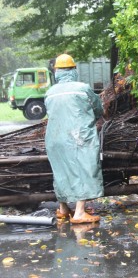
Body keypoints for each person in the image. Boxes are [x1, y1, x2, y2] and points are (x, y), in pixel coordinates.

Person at [44, 53, 104, 223]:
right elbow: (98, 108)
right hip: (79, 137)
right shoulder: (82, 88)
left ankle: (63, 209)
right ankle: (79, 213)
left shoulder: (50, 93)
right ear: (73, 70)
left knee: (61, 172)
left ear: (56, 72)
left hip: (54, 139)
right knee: (85, 168)